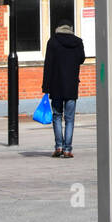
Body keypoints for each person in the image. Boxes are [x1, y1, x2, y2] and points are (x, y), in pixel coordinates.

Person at [41, 22, 86, 157]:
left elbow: (48, 65)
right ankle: (67, 149)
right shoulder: (77, 42)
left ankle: (59, 147)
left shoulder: (53, 42)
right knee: (70, 119)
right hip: (71, 86)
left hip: (56, 86)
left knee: (57, 116)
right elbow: (81, 59)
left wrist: (45, 87)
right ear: (70, 30)